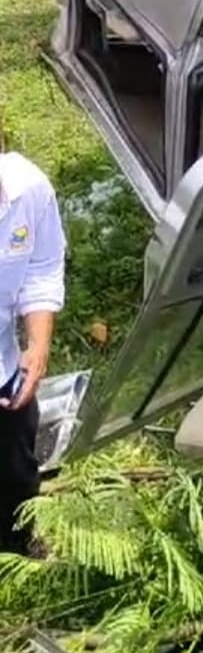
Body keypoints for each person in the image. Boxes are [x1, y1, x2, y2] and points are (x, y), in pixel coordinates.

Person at [0, 140, 66, 555]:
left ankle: (17, 548)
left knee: (16, 469)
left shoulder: (29, 189)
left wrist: (38, 345)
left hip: (6, 371)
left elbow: (42, 269)